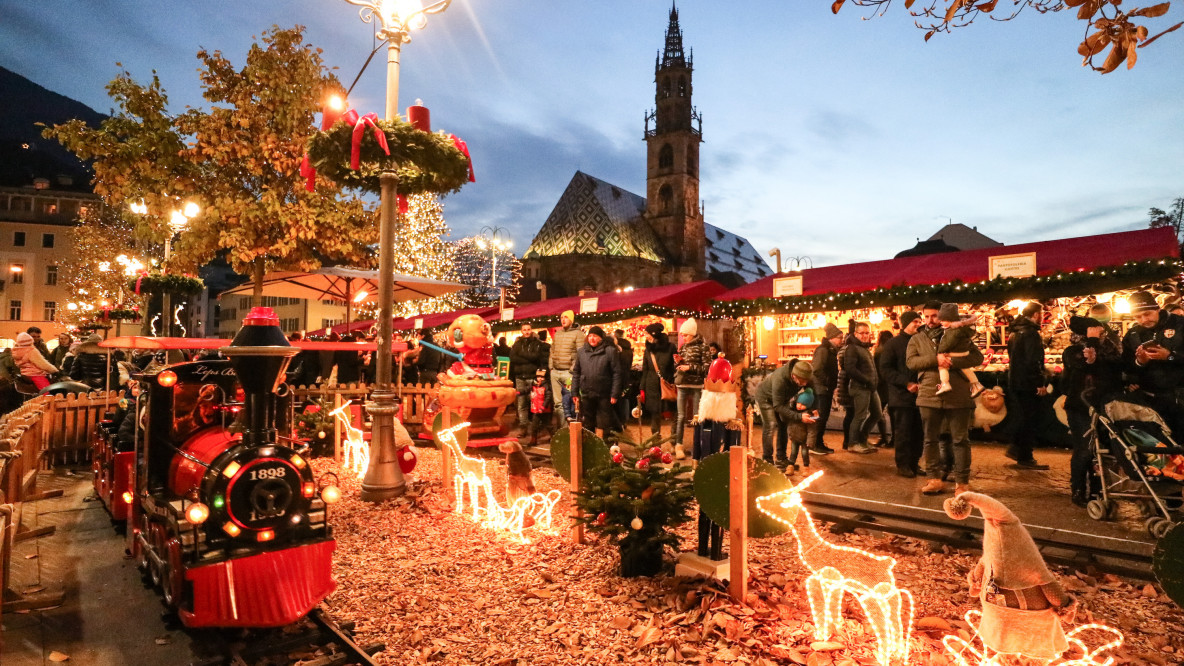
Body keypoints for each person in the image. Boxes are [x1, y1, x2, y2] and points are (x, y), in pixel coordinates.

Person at [907, 301, 984, 495]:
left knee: (960, 440)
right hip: (929, 395)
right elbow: (911, 362)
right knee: (930, 439)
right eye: (926, 316)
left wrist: (952, 361)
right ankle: (934, 479)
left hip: (957, 394)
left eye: (935, 316)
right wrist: (935, 360)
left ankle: (962, 483)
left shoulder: (958, 334)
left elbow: (977, 358)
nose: (930, 320)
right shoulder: (917, 339)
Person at [1062, 315, 1122, 506]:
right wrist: (1092, 341)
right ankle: (1078, 488)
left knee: (1101, 451)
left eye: (1101, 332)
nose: (1101, 334)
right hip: (1080, 407)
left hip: (1104, 406)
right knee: (1085, 449)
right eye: (1096, 331)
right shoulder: (1072, 351)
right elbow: (1085, 364)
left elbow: (1114, 372)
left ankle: (1098, 489)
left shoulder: (1110, 351)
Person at [1122, 290, 1184, 434]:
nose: (1144, 320)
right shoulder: (1133, 334)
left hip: (1180, 396)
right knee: (1162, 445)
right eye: (1137, 317)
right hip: (1150, 400)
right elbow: (1126, 367)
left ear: (1158, 309)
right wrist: (1139, 362)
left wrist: (1170, 356)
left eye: (1148, 314)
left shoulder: (1180, 325)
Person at [1006, 302, 1051, 470]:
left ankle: (1016, 449)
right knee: (1030, 419)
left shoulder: (1014, 332)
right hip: (1027, 382)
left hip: (1016, 380)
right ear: (1036, 315)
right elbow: (1033, 360)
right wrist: (1039, 382)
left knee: (1022, 416)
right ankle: (1024, 455)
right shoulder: (1031, 333)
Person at [880, 310, 925, 477]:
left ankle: (915, 463)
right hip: (901, 397)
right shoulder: (893, 344)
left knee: (918, 433)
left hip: (921, 396)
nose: (918, 324)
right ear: (906, 323)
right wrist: (905, 383)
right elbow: (885, 369)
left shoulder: (922, 341)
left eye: (919, 321)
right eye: (915, 321)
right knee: (903, 432)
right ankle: (903, 464)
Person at [755, 360, 817, 472]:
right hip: (765, 398)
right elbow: (778, 406)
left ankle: (781, 459)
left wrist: (815, 409)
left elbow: (813, 392)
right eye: (802, 382)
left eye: (806, 381)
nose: (804, 384)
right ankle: (767, 461)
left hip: (782, 398)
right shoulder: (780, 379)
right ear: (794, 376)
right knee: (771, 425)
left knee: (784, 424)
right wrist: (799, 417)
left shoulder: (806, 375)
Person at [570, 326, 622, 437]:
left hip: (604, 394)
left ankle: (608, 448)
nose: (592, 339)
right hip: (587, 393)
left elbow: (617, 374)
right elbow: (576, 373)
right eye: (590, 336)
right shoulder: (581, 352)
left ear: (601, 338)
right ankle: (590, 448)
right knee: (588, 423)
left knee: (605, 423)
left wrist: (614, 393)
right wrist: (574, 392)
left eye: (595, 336)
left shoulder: (610, 351)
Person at [842, 322, 879, 454]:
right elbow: (850, 369)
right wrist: (867, 379)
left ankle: (862, 440)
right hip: (860, 387)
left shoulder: (864, 348)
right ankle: (853, 443)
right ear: (856, 334)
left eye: (867, 333)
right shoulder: (852, 348)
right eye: (862, 333)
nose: (865, 336)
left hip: (870, 387)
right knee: (860, 416)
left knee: (877, 413)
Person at [808, 323, 844, 456]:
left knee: (823, 417)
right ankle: (814, 444)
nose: (842, 340)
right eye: (840, 337)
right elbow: (817, 369)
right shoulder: (823, 350)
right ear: (832, 338)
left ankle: (819, 442)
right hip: (821, 390)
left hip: (825, 389)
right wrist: (828, 382)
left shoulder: (830, 350)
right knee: (820, 417)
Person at [674, 318, 710, 447]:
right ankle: (679, 444)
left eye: (686, 335)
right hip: (682, 384)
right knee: (680, 416)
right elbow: (680, 366)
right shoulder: (683, 347)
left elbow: (707, 368)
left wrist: (690, 367)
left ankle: (698, 445)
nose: (683, 337)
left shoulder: (703, 347)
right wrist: (679, 362)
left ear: (693, 333)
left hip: (696, 386)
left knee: (696, 417)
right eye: (682, 335)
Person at [936, 304, 986, 397]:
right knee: (965, 368)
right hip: (963, 353)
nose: (941, 322)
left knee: (943, 366)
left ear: (950, 319)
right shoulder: (962, 328)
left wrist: (940, 351)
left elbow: (947, 343)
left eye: (943, 320)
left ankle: (945, 384)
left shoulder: (953, 331)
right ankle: (976, 385)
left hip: (955, 354)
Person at [509, 324, 547, 435]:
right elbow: (513, 358)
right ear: (521, 331)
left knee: (534, 403)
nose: (526, 332)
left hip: (532, 376)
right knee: (521, 404)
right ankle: (523, 427)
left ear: (531, 330)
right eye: (524, 330)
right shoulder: (517, 344)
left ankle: (535, 428)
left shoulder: (536, 344)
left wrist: (521, 354)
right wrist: (528, 358)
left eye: (528, 329)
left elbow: (536, 357)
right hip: (520, 377)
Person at [549, 310, 585, 424]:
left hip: (568, 373)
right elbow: (552, 350)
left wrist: (573, 370)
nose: (563, 319)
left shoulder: (578, 334)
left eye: (566, 317)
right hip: (555, 372)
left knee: (570, 402)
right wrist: (551, 366)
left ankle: (572, 429)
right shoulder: (558, 333)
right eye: (561, 317)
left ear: (571, 319)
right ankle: (562, 428)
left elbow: (580, 353)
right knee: (558, 404)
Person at [640, 322, 675, 438]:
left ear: (654, 334)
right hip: (651, 386)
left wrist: (671, 381)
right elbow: (645, 370)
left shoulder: (670, 348)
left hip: (667, 385)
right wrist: (642, 388)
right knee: (654, 414)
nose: (646, 336)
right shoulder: (648, 350)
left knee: (673, 414)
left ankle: (674, 442)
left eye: (648, 334)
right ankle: (655, 443)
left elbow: (674, 367)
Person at [612, 329, 634, 428]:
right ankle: (625, 420)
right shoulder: (629, 349)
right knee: (625, 398)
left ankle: (619, 421)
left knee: (618, 399)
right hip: (627, 376)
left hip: (618, 377)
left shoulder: (616, 349)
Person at [526, 367, 553, 445]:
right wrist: (520, 392)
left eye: (542, 377)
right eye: (538, 377)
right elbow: (527, 389)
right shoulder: (533, 385)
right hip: (536, 410)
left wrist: (543, 407)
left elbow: (548, 397)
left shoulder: (546, 386)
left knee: (549, 425)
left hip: (545, 410)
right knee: (534, 426)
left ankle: (554, 437)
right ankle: (533, 439)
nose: (540, 379)